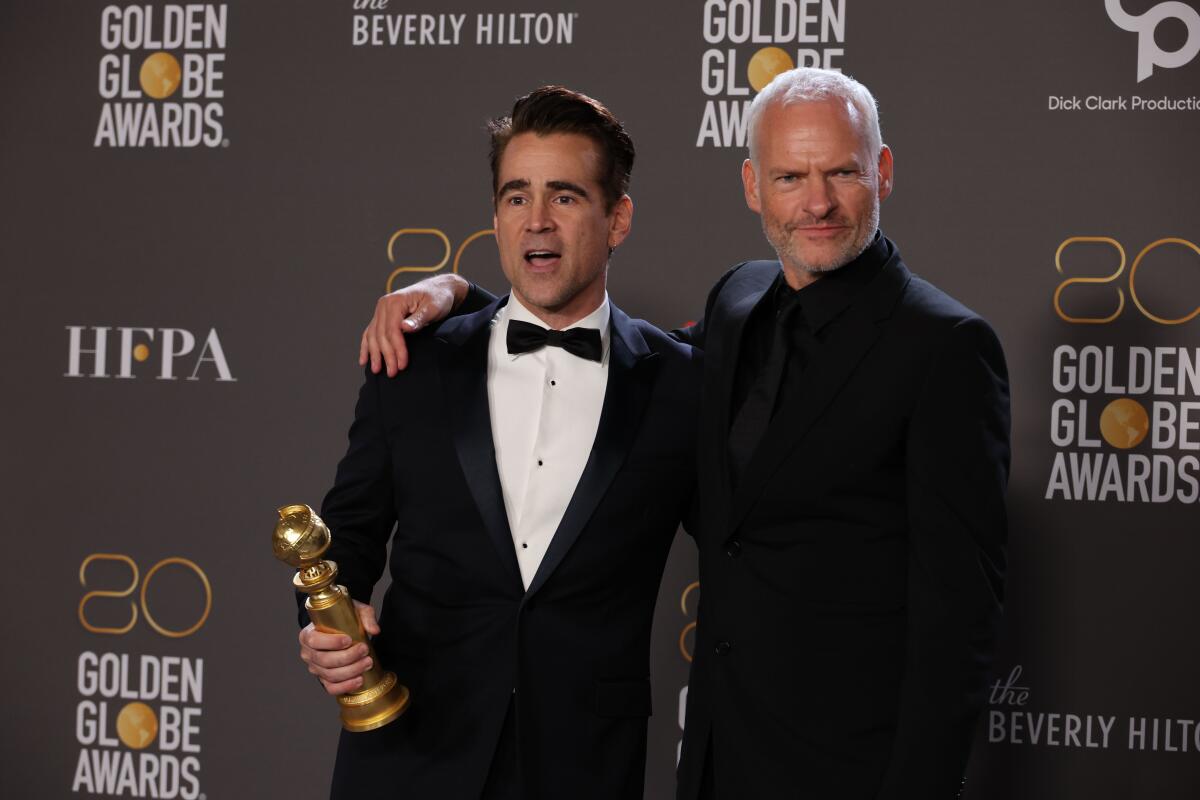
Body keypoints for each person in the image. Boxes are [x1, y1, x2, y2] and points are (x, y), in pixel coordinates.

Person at [362, 68, 1011, 799]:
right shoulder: (738, 299)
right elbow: (589, 349)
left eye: (842, 173)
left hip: (849, 766)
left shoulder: (946, 348)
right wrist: (457, 296)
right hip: (716, 754)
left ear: (883, 172)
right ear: (752, 186)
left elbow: (959, 623)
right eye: (790, 176)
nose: (817, 202)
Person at [297, 85, 701, 800]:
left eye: (566, 197)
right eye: (517, 197)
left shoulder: (679, 387)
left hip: (582, 764)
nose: (536, 222)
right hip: (408, 754)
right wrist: (325, 619)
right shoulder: (413, 365)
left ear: (619, 219)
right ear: (494, 215)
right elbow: (347, 535)